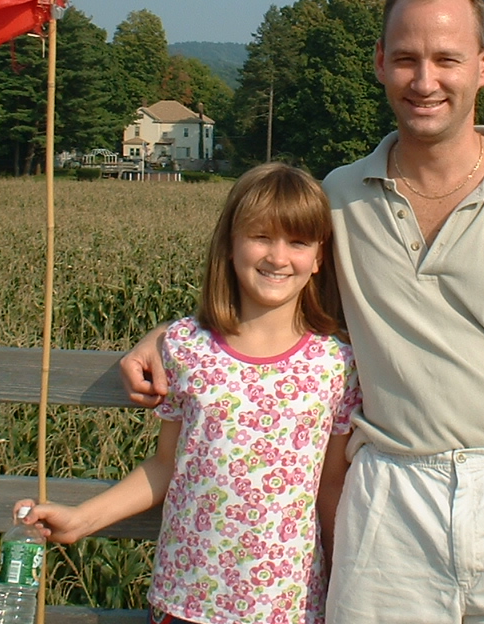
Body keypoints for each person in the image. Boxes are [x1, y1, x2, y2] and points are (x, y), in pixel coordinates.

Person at [123, 0, 484, 624]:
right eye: (407, 59)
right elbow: (275, 296)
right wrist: (175, 337)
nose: (425, 80)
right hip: (388, 501)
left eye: (447, 59)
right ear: (381, 65)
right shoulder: (339, 197)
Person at [18, 162, 361, 624]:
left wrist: (345, 587)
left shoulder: (337, 365)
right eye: (261, 236)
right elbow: (166, 466)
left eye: (298, 242)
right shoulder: (185, 348)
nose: (278, 258)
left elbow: (331, 489)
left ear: (320, 257)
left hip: (286, 605)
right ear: (230, 243)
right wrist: (83, 520)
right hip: (186, 598)